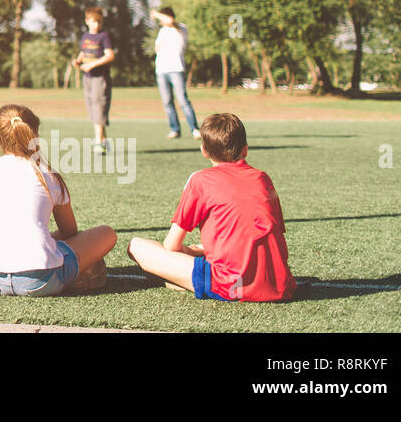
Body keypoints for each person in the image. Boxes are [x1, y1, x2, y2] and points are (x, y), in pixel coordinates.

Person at [127, 113, 296, 302]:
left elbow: (171, 245)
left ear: (204, 151)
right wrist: (200, 249)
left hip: (231, 285)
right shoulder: (263, 178)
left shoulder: (201, 180)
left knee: (136, 246)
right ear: (246, 150)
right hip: (279, 285)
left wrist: (191, 250)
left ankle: (176, 281)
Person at [0, 104, 116, 297]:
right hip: (41, 280)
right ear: (34, 135)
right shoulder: (47, 174)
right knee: (107, 233)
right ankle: (73, 275)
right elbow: (70, 231)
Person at [152, 6, 200, 140]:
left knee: (183, 100)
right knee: (167, 102)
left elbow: (170, 20)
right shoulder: (162, 31)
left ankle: (194, 129)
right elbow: (157, 48)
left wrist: (156, 14)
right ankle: (175, 129)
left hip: (176, 69)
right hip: (161, 71)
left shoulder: (181, 28)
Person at [73, 7, 115, 155]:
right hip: (88, 78)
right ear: (87, 21)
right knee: (92, 108)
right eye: (93, 21)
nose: (96, 24)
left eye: (99, 22)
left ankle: (98, 142)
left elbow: (110, 55)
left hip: (100, 77)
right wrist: (78, 61)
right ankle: (104, 143)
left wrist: (92, 64)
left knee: (99, 107)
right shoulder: (85, 36)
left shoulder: (104, 36)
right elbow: (84, 51)